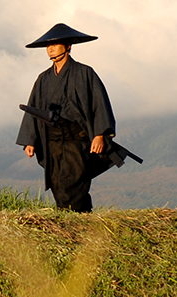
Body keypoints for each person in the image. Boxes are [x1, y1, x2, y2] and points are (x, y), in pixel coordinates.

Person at [15, 23, 122, 213]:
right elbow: (34, 108)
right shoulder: (43, 79)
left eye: (55, 44)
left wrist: (99, 134)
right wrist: (30, 140)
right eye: (48, 45)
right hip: (52, 142)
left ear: (68, 46)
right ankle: (72, 220)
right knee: (57, 183)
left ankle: (76, 220)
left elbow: (99, 104)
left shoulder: (85, 73)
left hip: (76, 141)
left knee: (72, 182)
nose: (51, 48)